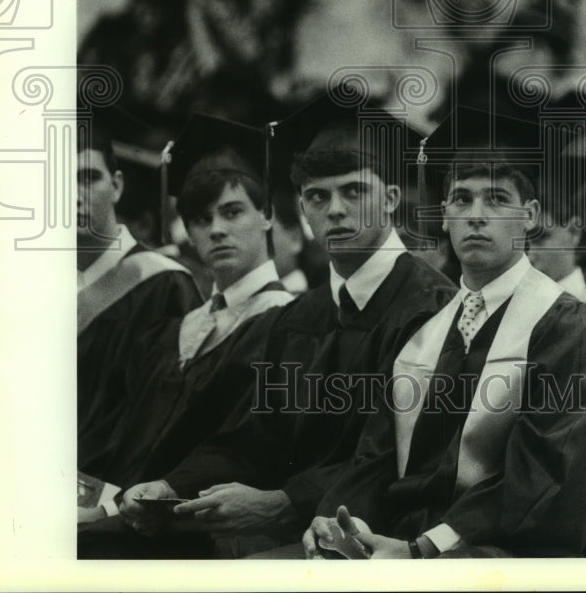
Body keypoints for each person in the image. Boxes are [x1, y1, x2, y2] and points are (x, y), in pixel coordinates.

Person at [110, 90, 456, 558]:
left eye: (354, 190)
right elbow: (252, 438)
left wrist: (283, 503)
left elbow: (402, 460)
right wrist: (169, 485)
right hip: (287, 533)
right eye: (317, 195)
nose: (334, 209)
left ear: (391, 197)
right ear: (301, 207)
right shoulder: (299, 317)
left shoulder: (434, 308)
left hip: (377, 539)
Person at [298, 105, 586, 559]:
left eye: (496, 199)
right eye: (461, 199)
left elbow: (550, 477)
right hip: (401, 547)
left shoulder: (571, 330)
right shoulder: (421, 328)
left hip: (499, 555)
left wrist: (423, 549)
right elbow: (375, 458)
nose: (476, 215)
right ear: (444, 216)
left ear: (530, 215)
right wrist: (344, 520)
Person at [80, 115, 294, 492]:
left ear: (267, 216)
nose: (215, 229)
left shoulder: (289, 324)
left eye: (232, 212)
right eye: (200, 218)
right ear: (188, 235)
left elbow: (256, 449)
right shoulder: (176, 331)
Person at [77, 126, 202, 478]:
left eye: (87, 178)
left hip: (111, 504)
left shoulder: (163, 284)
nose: (72, 195)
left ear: (116, 185)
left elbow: (162, 422)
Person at [527, 185, 586, 323]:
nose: (528, 252)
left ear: (573, 231)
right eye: (523, 241)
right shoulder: (512, 308)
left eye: (540, 238)